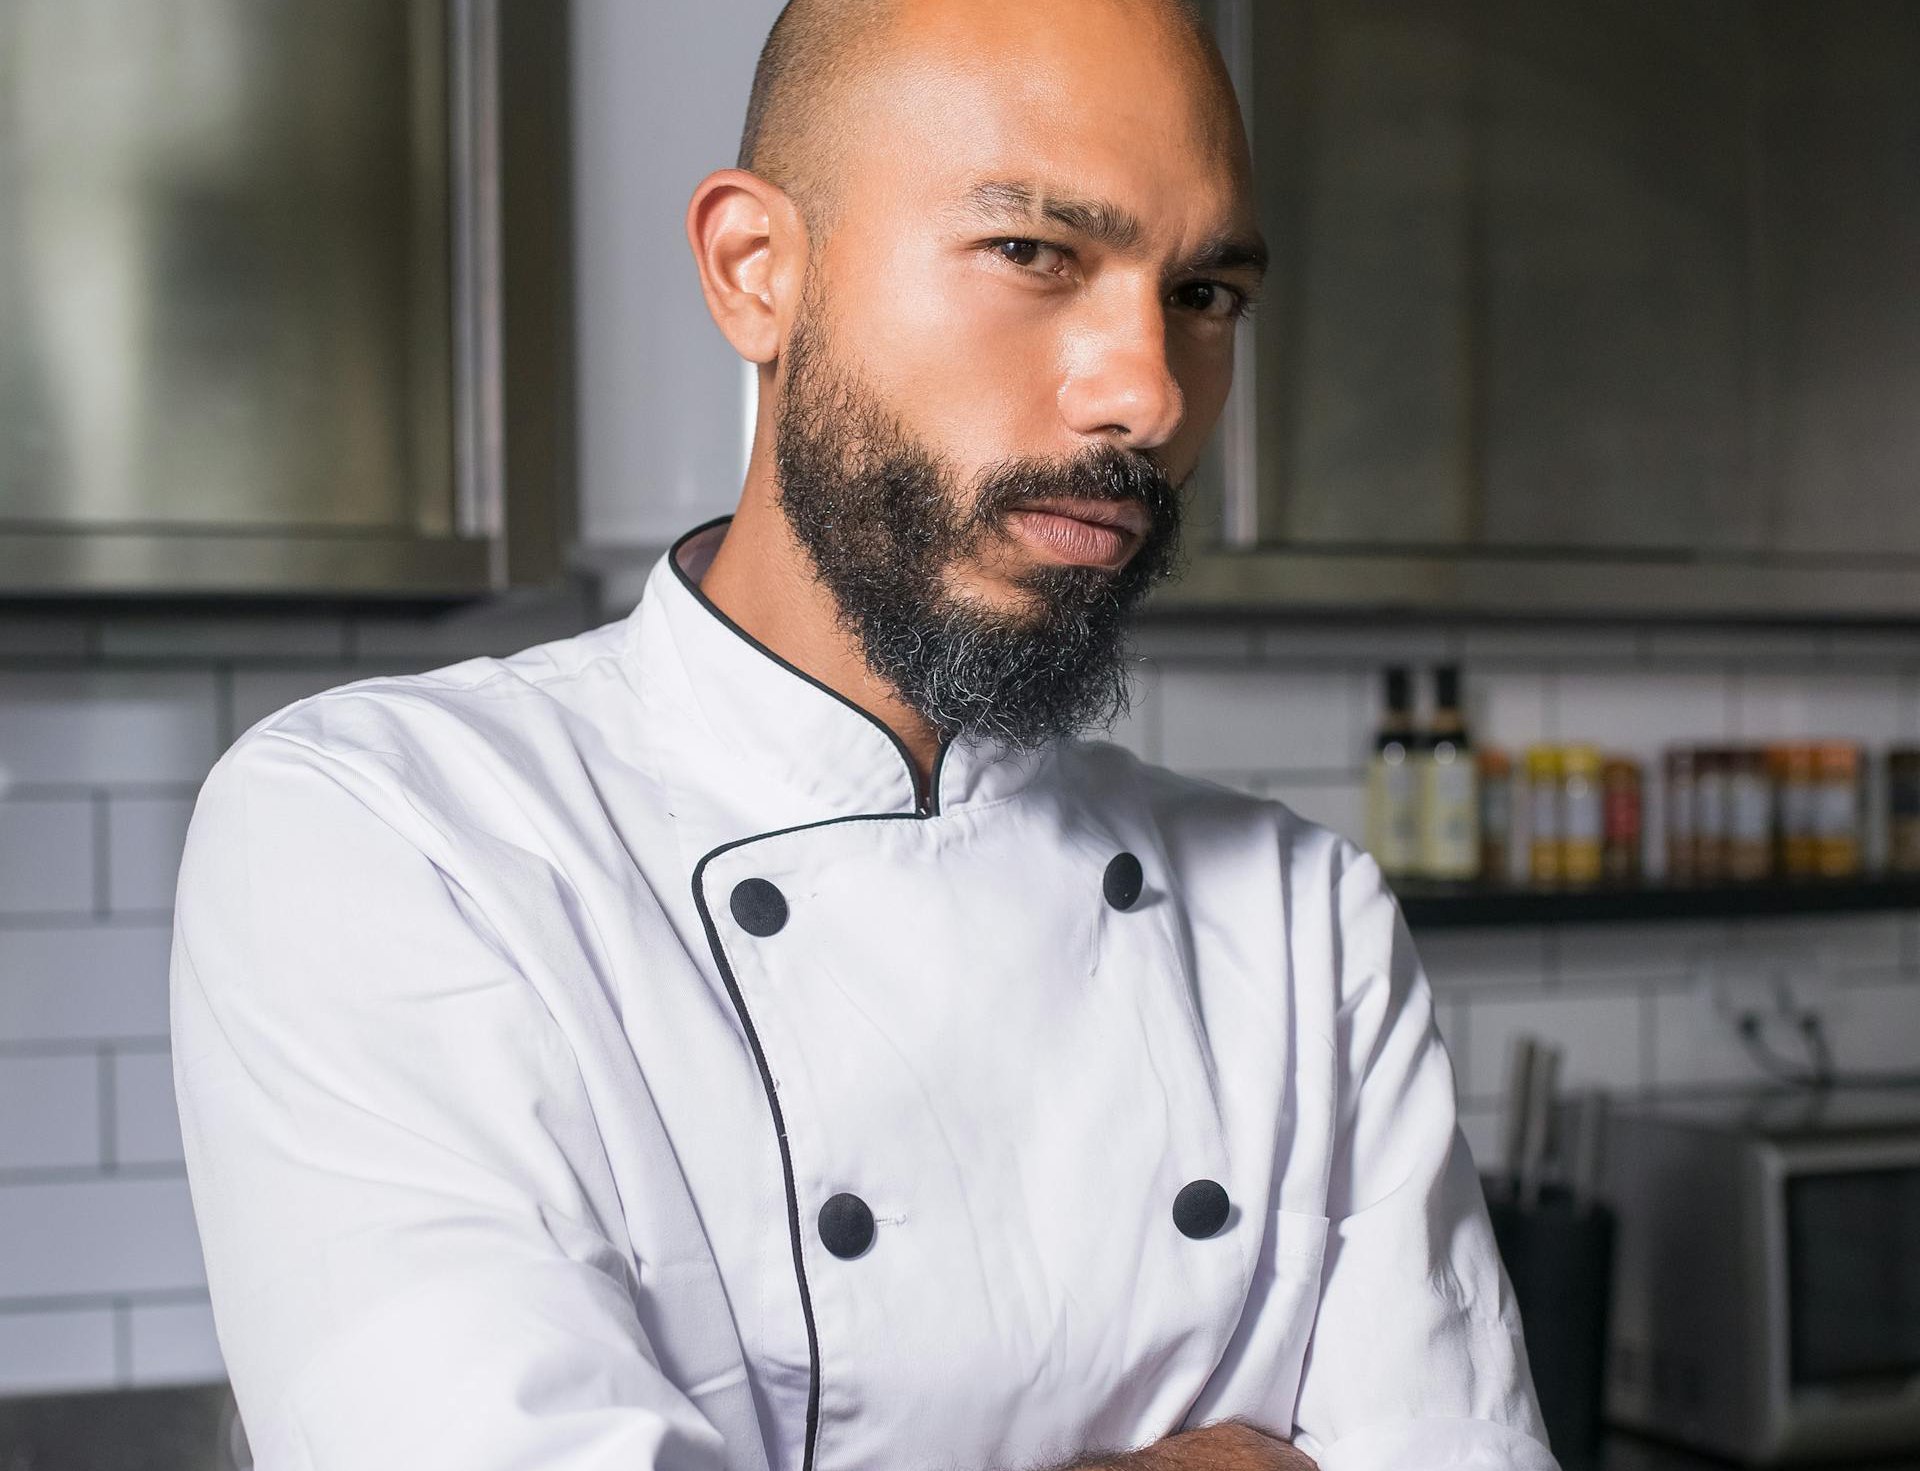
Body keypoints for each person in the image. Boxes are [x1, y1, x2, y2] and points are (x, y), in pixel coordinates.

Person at [170, 2, 1556, 1469]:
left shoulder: (1299, 919)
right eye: (1035, 253)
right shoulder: (389, 835)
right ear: (756, 271)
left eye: (1205, 294)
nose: (1145, 392)